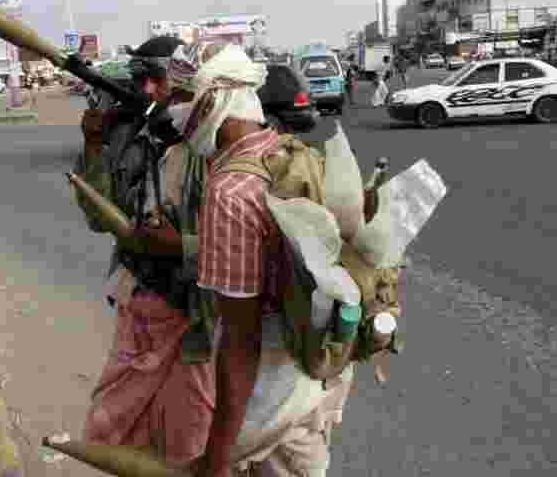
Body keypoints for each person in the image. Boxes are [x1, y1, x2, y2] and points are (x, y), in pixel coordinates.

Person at [184, 44, 355, 477]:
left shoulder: (230, 191)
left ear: (211, 102)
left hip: (272, 393)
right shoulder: (292, 153)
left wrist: (217, 458)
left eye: (184, 100)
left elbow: (241, 341)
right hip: (319, 371)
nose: (177, 115)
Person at [74, 36, 222, 466]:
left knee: (191, 440)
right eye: (142, 82)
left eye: (156, 81)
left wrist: (181, 247)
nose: (149, 92)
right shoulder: (140, 139)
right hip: (143, 309)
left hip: (198, 322)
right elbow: (100, 216)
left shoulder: (217, 147)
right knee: (114, 431)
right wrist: (95, 147)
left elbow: (250, 243)